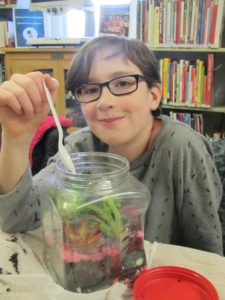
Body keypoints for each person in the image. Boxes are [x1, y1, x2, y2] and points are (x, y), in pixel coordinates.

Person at [0, 35, 223, 255]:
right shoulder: (80, 147)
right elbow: (17, 218)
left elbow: (207, 255)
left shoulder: (182, 147)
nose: (104, 102)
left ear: (153, 96)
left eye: (123, 83)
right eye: (90, 89)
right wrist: (15, 138)